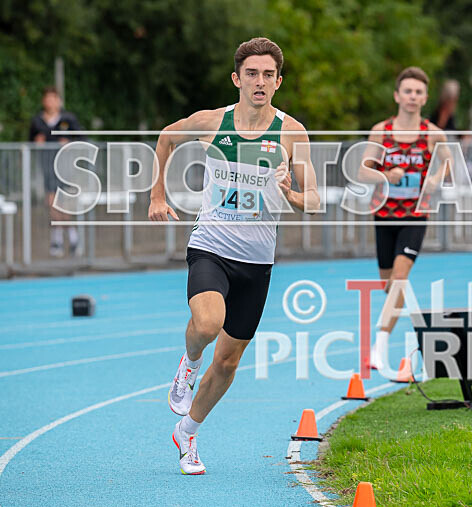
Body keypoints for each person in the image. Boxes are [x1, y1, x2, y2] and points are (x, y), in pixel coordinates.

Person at [148, 37, 320, 475]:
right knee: (207, 324)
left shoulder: (292, 132)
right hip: (211, 245)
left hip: (257, 262)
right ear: (236, 79)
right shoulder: (211, 121)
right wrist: (157, 193)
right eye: (251, 74)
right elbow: (166, 137)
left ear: (278, 82)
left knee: (228, 363)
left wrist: (291, 193)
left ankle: (187, 433)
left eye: (267, 75)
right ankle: (187, 364)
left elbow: (315, 200)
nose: (259, 82)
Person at [360, 67, 450, 371]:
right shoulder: (381, 131)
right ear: (398, 95)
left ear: (425, 98)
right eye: (408, 91)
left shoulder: (432, 134)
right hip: (384, 215)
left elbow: (449, 162)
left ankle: (379, 347)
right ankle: (394, 326)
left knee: (399, 279)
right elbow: (362, 171)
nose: (413, 96)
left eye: (418, 92)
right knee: (389, 285)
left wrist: (437, 178)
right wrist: (386, 174)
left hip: (415, 215)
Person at [29, 87, 83, 257]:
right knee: (52, 203)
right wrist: (36, 143)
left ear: (59, 101)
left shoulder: (68, 119)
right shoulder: (38, 121)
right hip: (47, 167)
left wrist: (69, 143)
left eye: (53, 98)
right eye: (47, 98)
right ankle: (58, 238)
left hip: (66, 168)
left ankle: (72, 236)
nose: (50, 102)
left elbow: (82, 138)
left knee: (64, 204)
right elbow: (30, 140)